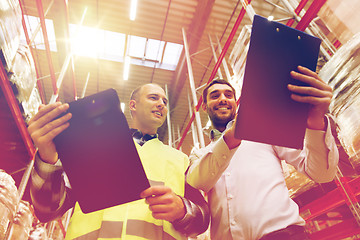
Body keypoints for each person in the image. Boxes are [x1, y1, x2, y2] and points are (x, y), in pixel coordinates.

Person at [28, 83, 210, 240]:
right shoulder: (93, 149)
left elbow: (203, 219)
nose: (161, 104)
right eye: (154, 98)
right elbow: (48, 210)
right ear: (133, 105)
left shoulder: (181, 160)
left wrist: (183, 210)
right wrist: (48, 159)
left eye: (164, 101)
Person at [186, 66, 339, 240]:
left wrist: (315, 122)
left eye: (228, 95)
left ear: (235, 103)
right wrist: (230, 139)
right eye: (215, 96)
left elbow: (322, 173)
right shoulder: (199, 154)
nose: (223, 99)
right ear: (204, 107)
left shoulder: (265, 131)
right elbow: (198, 182)